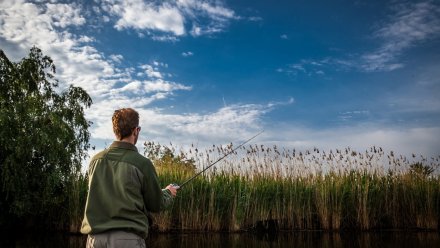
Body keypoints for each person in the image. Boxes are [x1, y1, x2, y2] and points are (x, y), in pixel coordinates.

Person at [81, 108, 179, 248]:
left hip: (94, 240)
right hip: (127, 240)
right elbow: (156, 204)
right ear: (136, 130)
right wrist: (168, 192)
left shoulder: (95, 161)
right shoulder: (142, 164)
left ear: (116, 130)